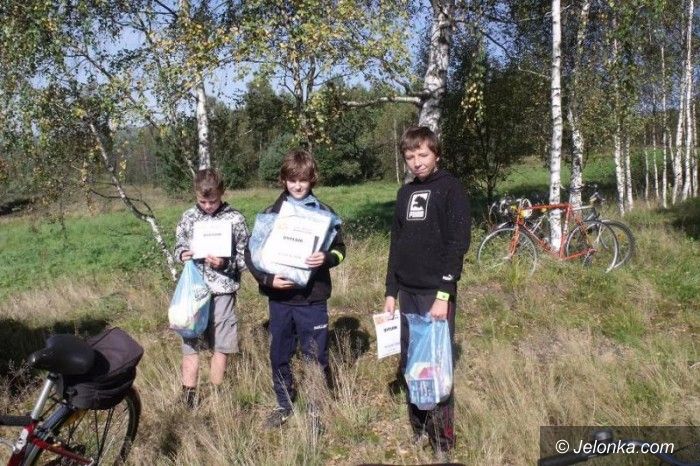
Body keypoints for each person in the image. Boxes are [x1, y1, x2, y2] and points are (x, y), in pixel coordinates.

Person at [383, 126, 471, 455]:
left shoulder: (451, 189)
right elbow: (396, 245)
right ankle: (419, 428)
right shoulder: (404, 194)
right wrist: (391, 291)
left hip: (436, 294)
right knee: (411, 362)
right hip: (407, 292)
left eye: (423, 155)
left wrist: (444, 294)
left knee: (436, 367)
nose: (417, 162)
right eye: (410, 156)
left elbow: (457, 243)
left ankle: (442, 442)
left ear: (436, 154)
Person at [245, 149, 346, 428]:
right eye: (292, 180)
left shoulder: (325, 214)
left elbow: (341, 250)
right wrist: (267, 280)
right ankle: (284, 404)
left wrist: (326, 258)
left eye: (303, 180)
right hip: (281, 299)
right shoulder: (271, 214)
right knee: (279, 354)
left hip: (313, 300)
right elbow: (251, 254)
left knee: (315, 355)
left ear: (312, 179)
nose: (298, 186)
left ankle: (315, 410)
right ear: (283, 180)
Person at [174, 168, 249, 408]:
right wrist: (182, 254)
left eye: (213, 201)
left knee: (222, 342)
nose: (207, 206)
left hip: (223, 290)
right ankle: (188, 396)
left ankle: (217, 394)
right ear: (196, 195)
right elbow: (178, 245)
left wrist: (225, 264)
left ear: (222, 193)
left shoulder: (235, 219)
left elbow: (245, 258)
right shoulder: (188, 217)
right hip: (193, 292)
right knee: (190, 341)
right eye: (202, 201)